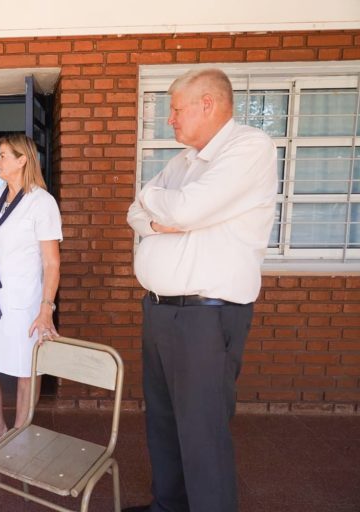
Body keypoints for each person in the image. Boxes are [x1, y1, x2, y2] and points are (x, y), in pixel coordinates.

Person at [125, 68, 277, 512]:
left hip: (206, 316)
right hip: (160, 310)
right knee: (164, 422)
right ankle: (168, 506)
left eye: (176, 110)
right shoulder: (184, 161)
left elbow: (187, 210)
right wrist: (159, 215)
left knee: (202, 433)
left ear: (207, 104)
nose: (170, 120)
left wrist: (167, 209)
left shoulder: (248, 148)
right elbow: (137, 210)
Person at [0, 133, 62, 449]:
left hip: (23, 300)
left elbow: (51, 262)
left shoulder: (42, 202)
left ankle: (20, 437)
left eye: (4, 155)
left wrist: (46, 307)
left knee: (24, 371)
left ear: (22, 160)